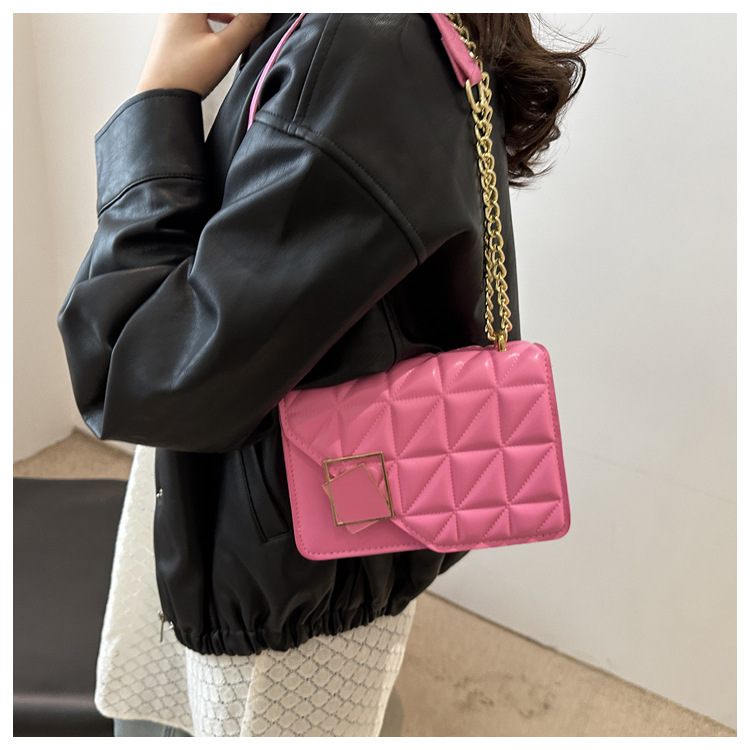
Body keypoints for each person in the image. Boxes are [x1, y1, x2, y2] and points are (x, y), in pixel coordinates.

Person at [57, 12, 593, 737]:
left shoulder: (356, 51)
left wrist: (158, 101)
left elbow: (131, 367)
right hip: (253, 510)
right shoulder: (357, 38)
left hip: (283, 573)